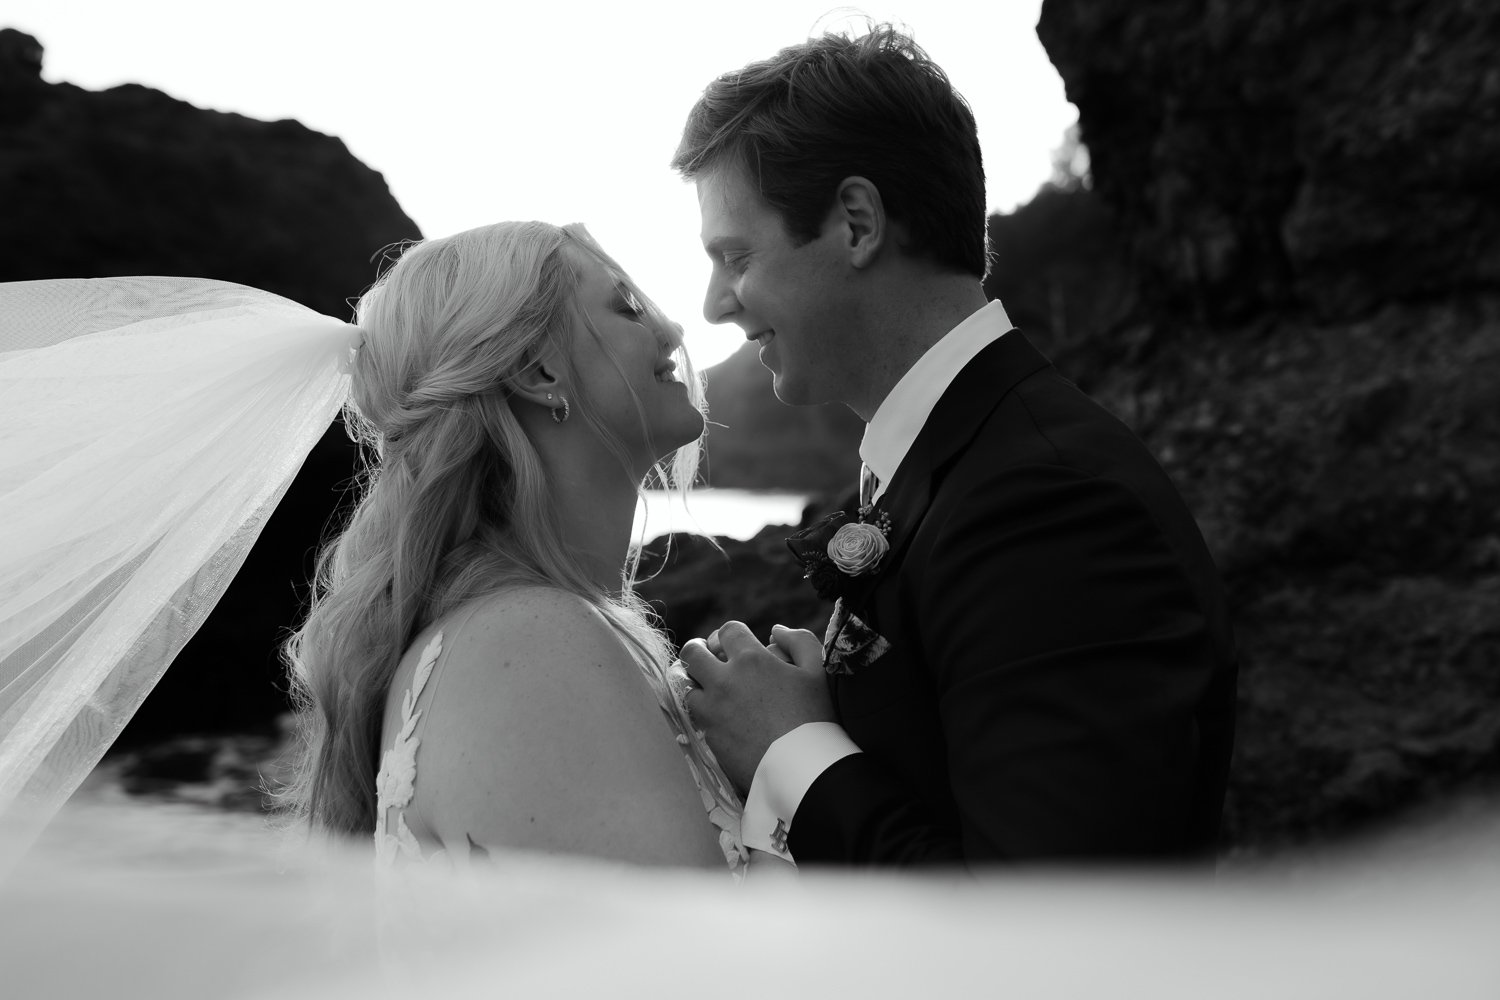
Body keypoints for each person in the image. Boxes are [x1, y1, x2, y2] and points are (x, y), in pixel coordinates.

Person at [0, 222, 748, 876]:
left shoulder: (539, 628)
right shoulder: (529, 643)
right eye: (624, 305)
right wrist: (797, 756)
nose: (674, 331)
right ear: (537, 371)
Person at [674, 26, 1238, 868]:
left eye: (735, 255)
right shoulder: (949, 463)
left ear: (857, 224)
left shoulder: (1045, 499)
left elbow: (1050, 941)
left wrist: (794, 752)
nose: (717, 304)